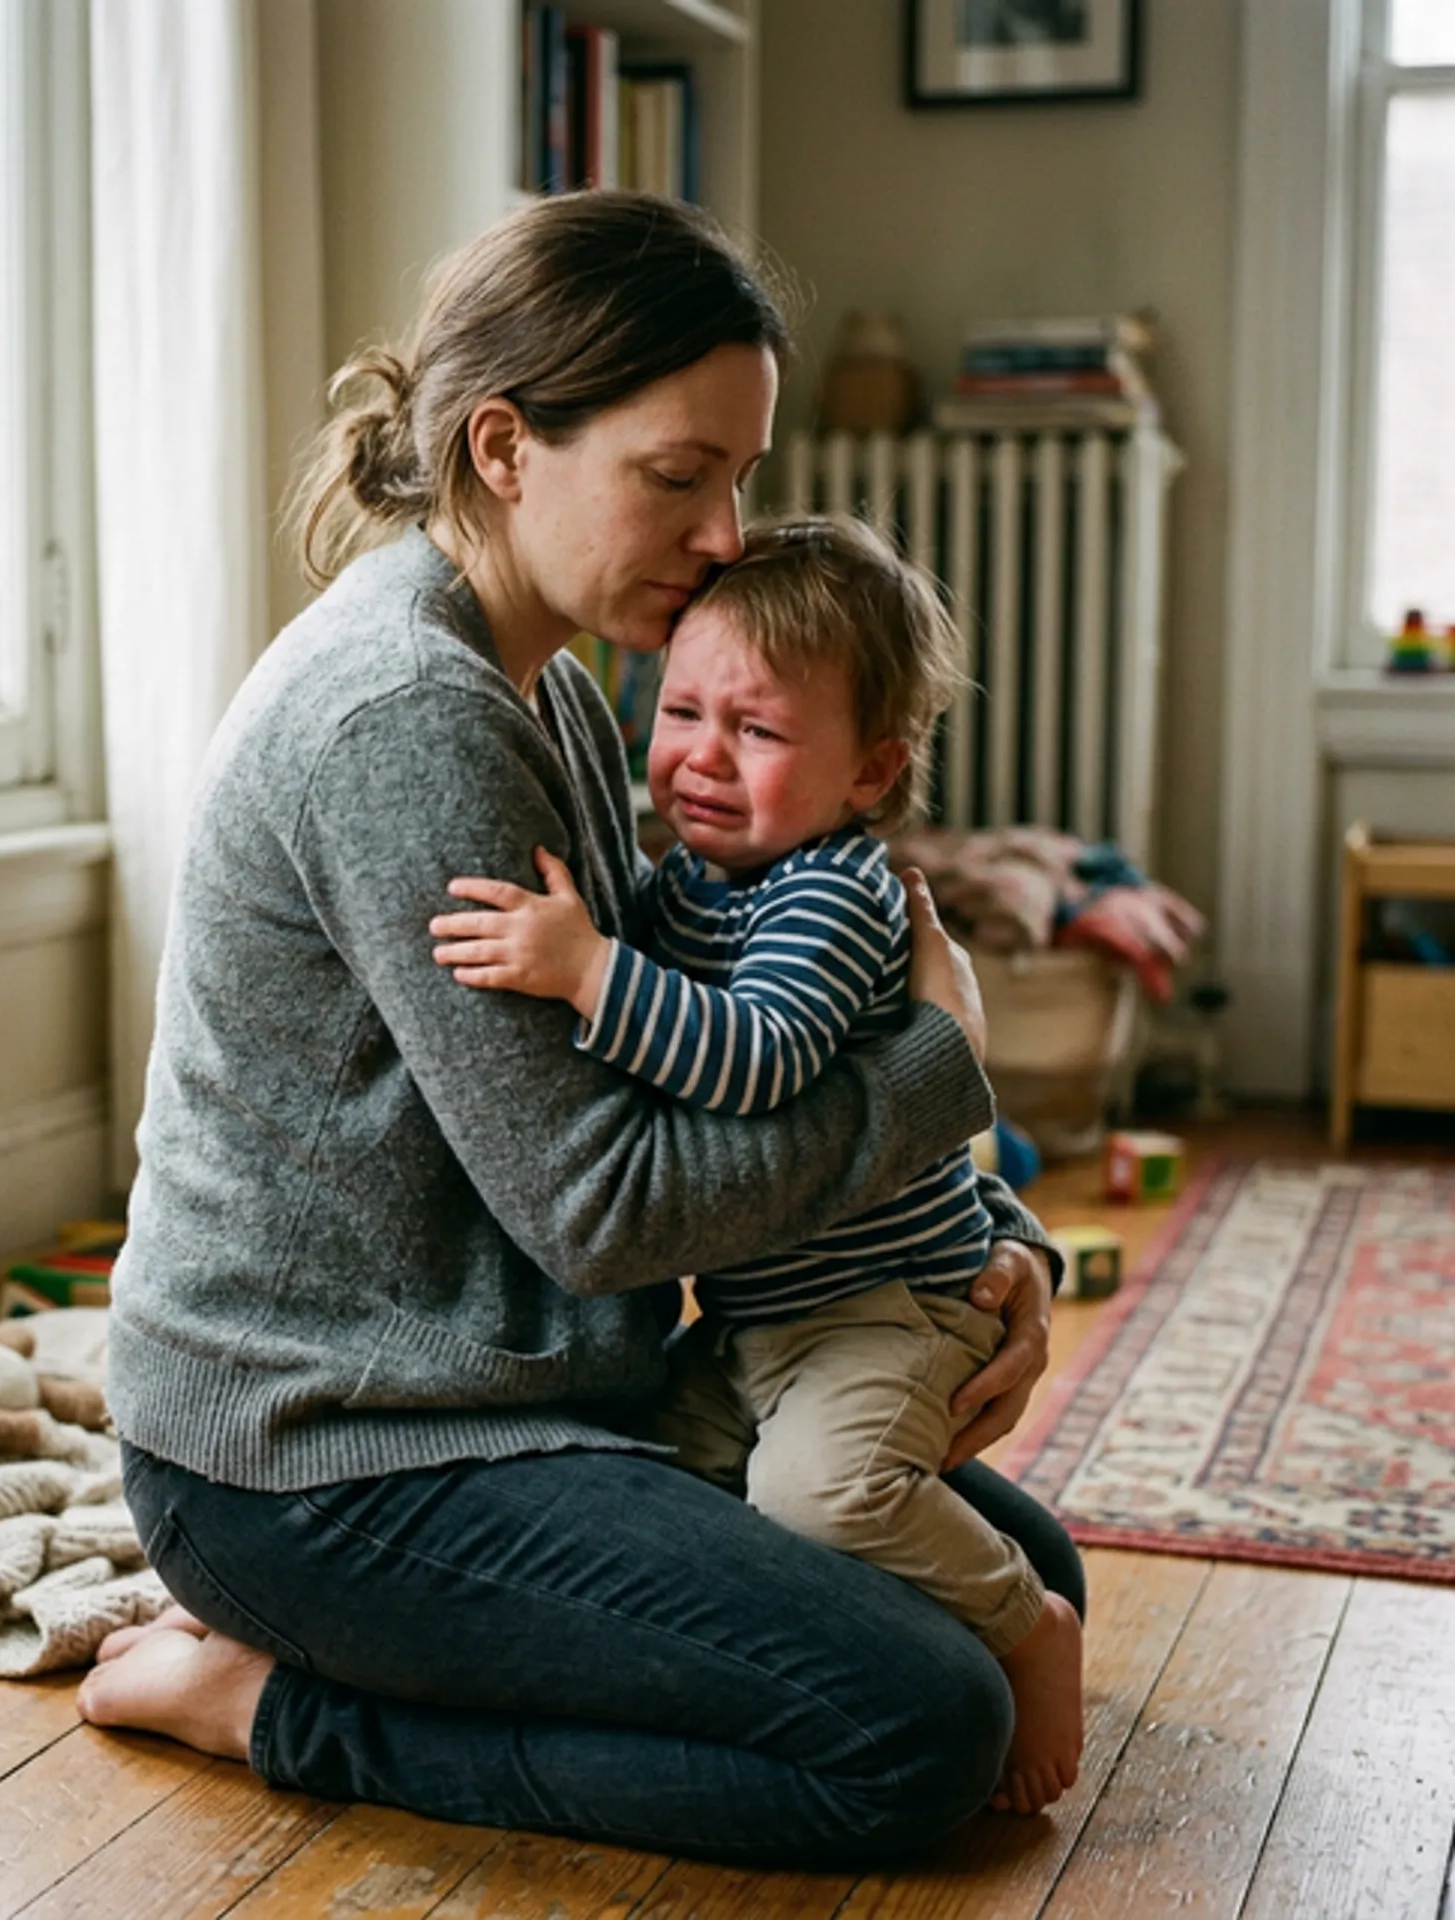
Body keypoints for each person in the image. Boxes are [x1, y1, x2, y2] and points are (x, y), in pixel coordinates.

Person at [77, 188, 1082, 1870]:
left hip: (539, 1390)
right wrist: (935, 1075)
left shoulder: (540, 672)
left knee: (1027, 1586)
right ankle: (273, 1704)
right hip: (330, 1457)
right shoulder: (413, 719)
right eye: (678, 478)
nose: (724, 534)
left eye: (742, 478)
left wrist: (1000, 1252)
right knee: (920, 1729)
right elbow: (605, 1214)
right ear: (502, 449)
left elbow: (736, 1034)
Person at [429, 515, 1083, 1814]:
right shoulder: (694, 884)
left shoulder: (832, 893)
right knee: (658, 1480)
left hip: (880, 1317)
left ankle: (1023, 1627)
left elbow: (761, 1058)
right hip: (753, 1325)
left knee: (824, 1499)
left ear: (870, 772)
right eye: (681, 712)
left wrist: (588, 968)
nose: (703, 760)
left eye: (762, 732)